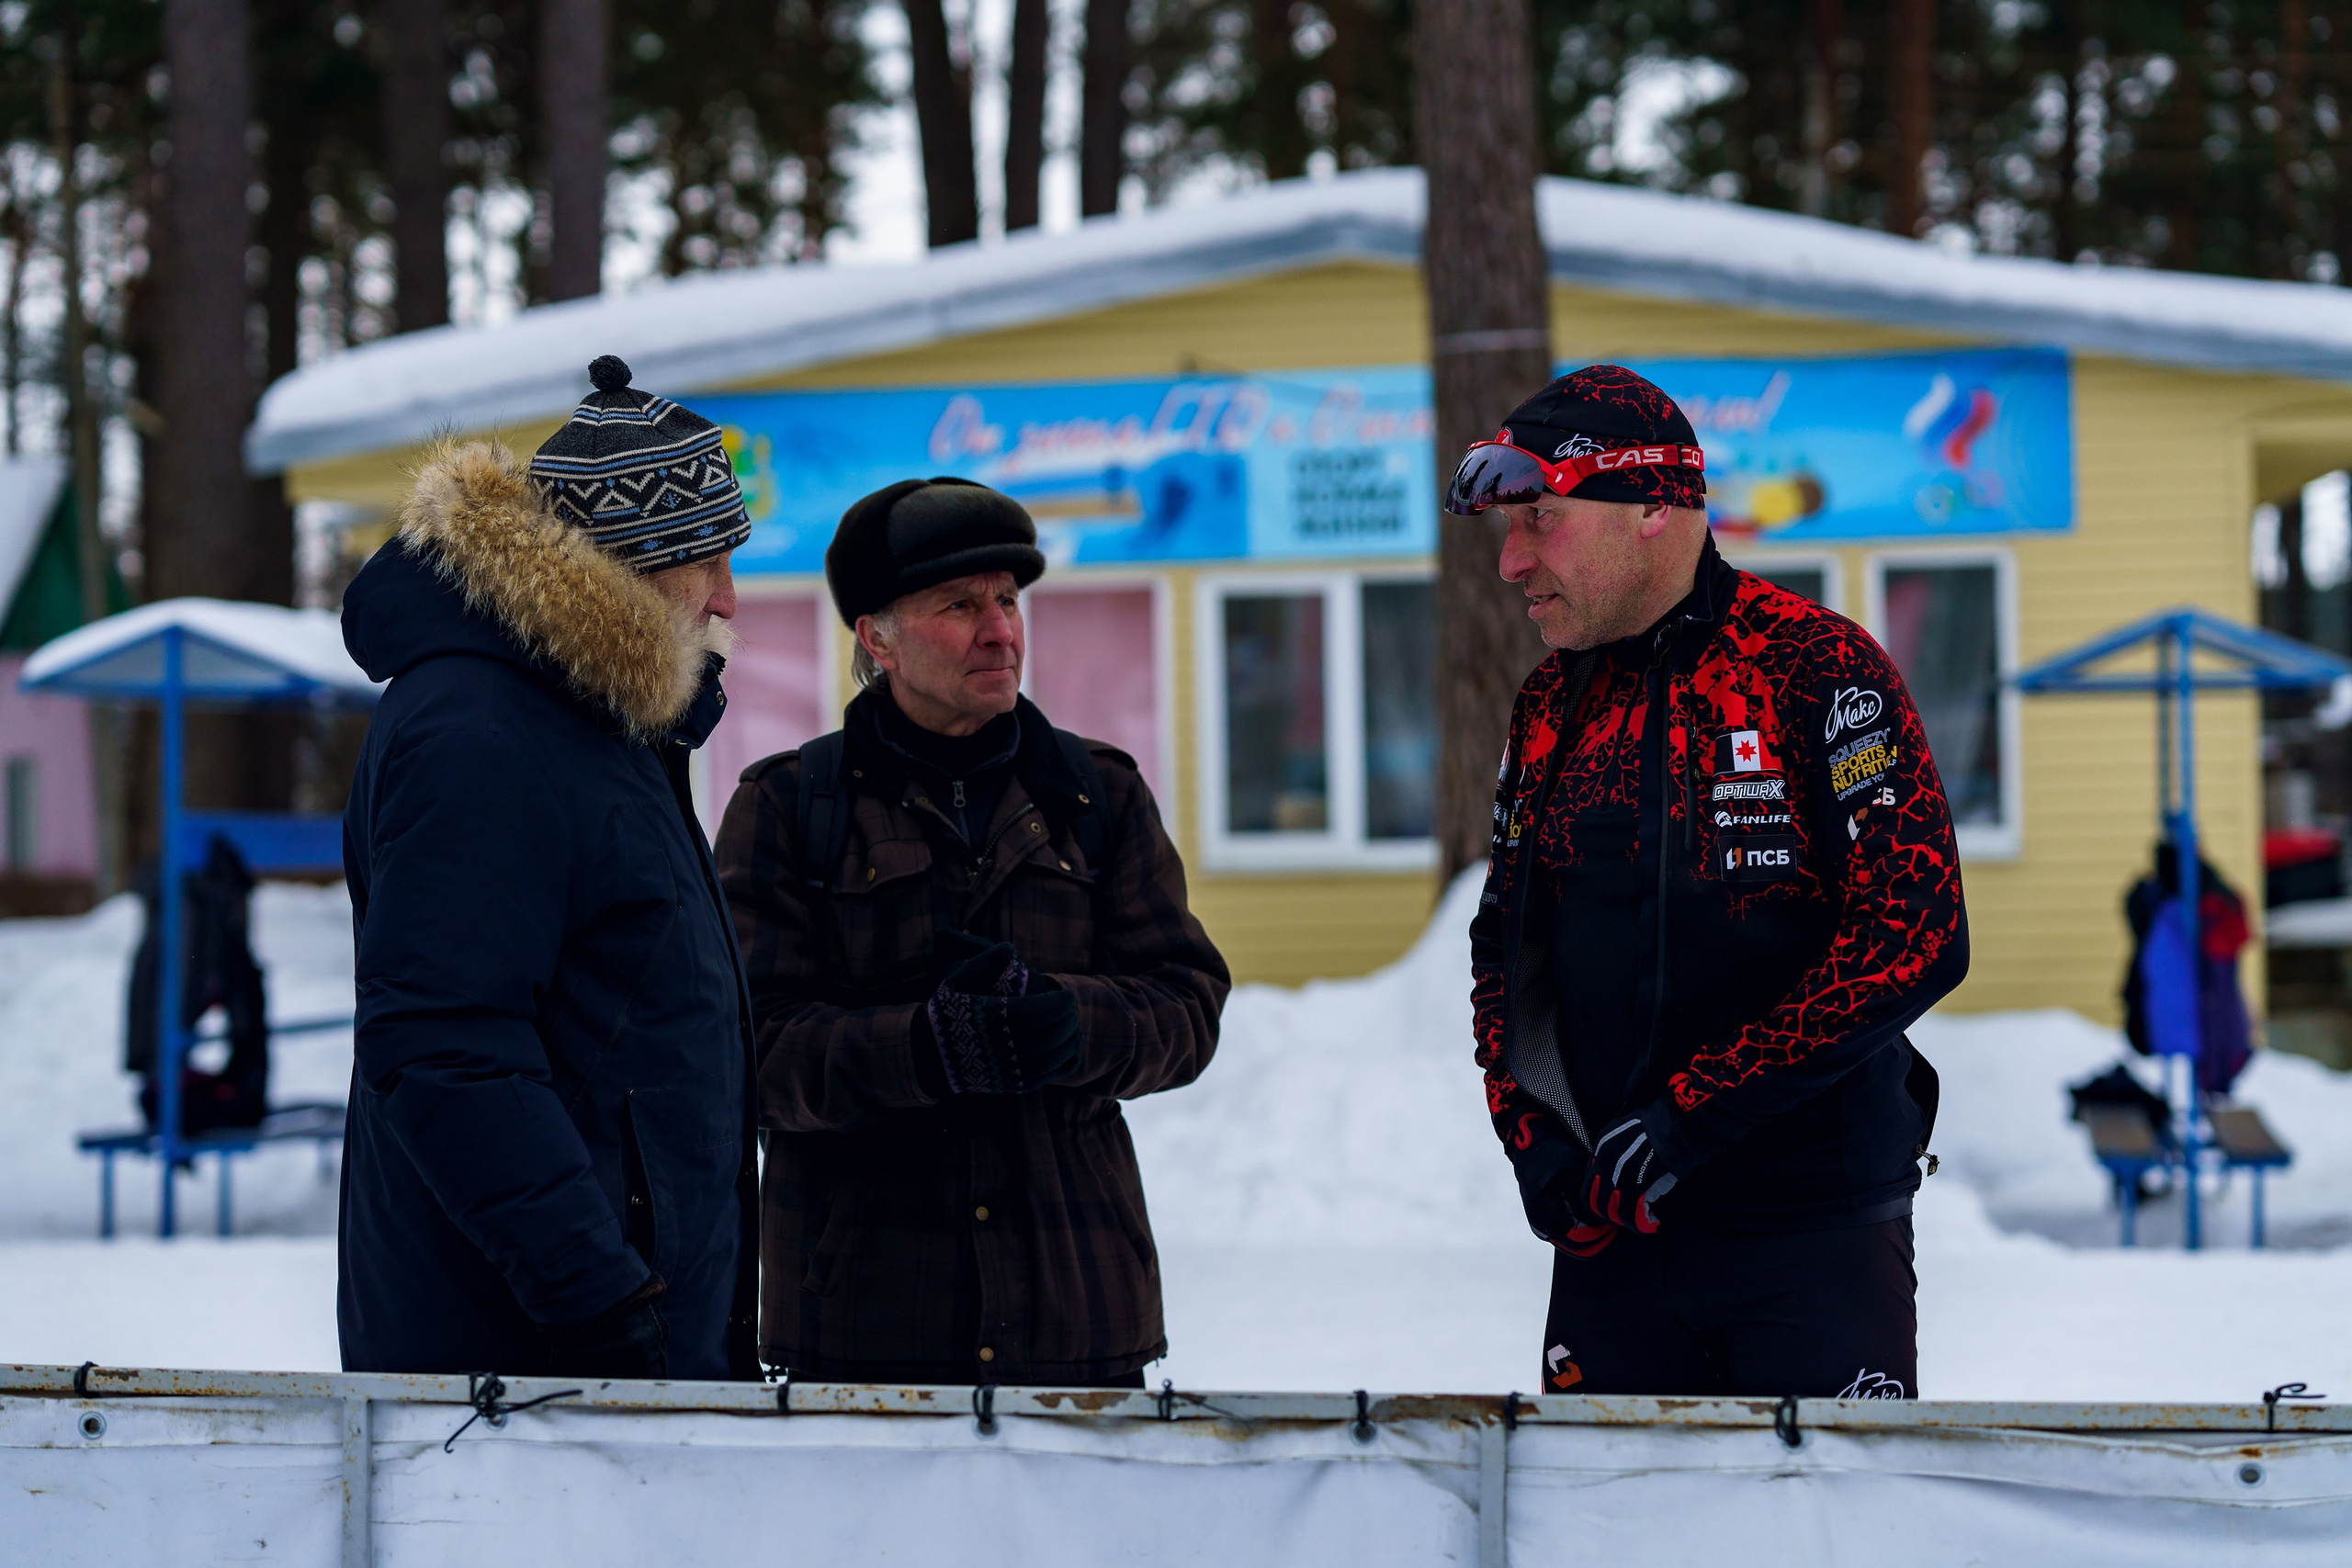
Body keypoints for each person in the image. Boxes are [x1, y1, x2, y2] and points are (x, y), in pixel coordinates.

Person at [1452, 365, 1968, 1399]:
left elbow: (1913, 933)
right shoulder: (1549, 703)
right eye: (1505, 530)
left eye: (1540, 522)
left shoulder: (1814, 669)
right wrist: (1534, 1141)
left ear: (1653, 505)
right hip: (1613, 1241)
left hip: (1809, 1234)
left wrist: (1695, 1113)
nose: (1510, 563)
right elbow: (1505, 952)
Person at [715, 477, 1228, 1388]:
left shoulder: (1097, 795)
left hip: (1077, 1317)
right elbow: (747, 1054)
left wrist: (1075, 1023)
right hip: (863, 1325)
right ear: (876, 637)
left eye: (1007, 600)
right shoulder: (789, 808)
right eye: (959, 605)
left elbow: (1187, 1006)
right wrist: (920, 1047)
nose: (1001, 631)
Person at [338, 355, 758, 1380]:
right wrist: (591, 1289)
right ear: (627, 564)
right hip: (530, 1351)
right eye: (705, 561)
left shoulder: (599, 722)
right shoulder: (482, 732)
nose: (730, 600)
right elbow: (446, 1041)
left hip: (613, 1332)